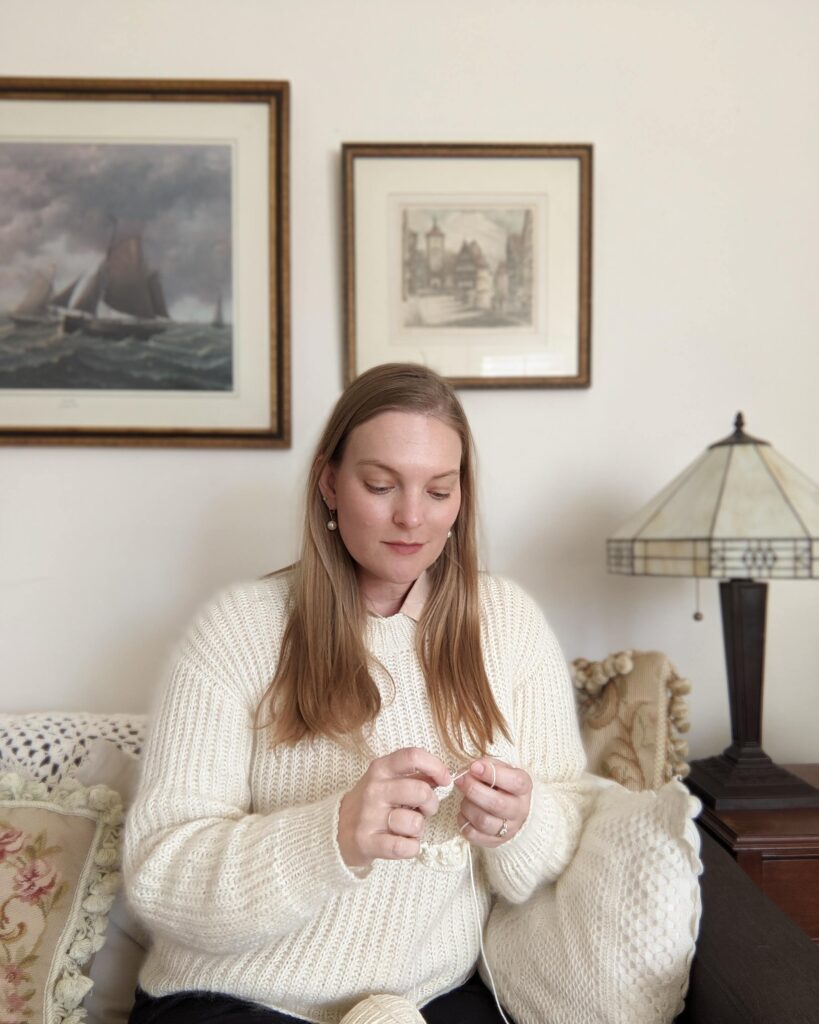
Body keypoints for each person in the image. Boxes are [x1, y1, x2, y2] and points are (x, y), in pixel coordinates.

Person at [125, 363, 588, 1024]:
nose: (410, 517)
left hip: (422, 998)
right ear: (329, 483)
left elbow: (563, 825)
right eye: (380, 484)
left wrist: (519, 823)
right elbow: (161, 873)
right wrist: (334, 835)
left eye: (438, 490)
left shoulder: (507, 625)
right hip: (231, 996)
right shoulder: (238, 631)